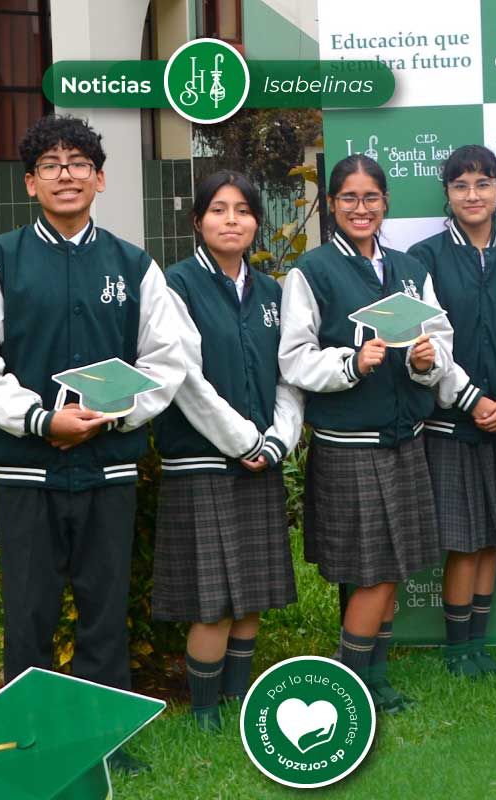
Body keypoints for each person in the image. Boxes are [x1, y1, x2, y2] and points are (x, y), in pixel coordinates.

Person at [0, 115, 186, 773]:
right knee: (29, 614)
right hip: (27, 471)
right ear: (30, 182)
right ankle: (25, 747)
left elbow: (166, 360)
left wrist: (116, 415)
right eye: (51, 164)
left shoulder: (133, 265)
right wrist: (42, 421)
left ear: (99, 179)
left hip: (109, 467)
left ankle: (102, 745)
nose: (65, 174)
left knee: (104, 611)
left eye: (78, 164)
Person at [279, 154, 453, 713]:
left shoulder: (409, 268)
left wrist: (428, 360)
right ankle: (345, 686)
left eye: (371, 197)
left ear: (385, 202)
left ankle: (373, 680)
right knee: (373, 572)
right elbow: (294, 359)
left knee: (389, 570)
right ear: (332, 205)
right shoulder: (312, 271)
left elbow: (439, 339)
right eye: (350, 198)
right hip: (350, 446)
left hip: (404, 440)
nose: (361, 208)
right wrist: (350, 363)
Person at [151, 170, 304, 730]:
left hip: (261, 460)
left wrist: (278, 439)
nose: (231, 220)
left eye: (242, 210)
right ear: (198, 221)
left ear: (257, 222)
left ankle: (239, 697)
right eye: (218, 209)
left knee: (252, 593)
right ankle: (204, 710)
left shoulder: (272, 292)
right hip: (202, 463)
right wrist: (243, 440)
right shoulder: (176, 286)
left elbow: (290, 374)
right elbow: (184, 379)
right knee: (212, 600)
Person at [408, 145, 496, 677]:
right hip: (451, 423)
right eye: (461, 185)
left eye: (483, 184)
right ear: (447, 193)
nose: (473, 195)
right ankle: (457, 650)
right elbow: (426, 341)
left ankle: (478, 645)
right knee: (464, 544)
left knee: (492, 537)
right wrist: (470, 399)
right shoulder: (423, 259)